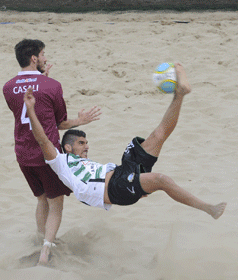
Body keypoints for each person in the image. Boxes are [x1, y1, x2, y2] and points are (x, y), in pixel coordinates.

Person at [24, 63, 226, 220]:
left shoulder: (84, 163)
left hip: (120, 171)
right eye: (81, 143)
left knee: (156, 136)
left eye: (86, 142)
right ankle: (209, 208)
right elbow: (42, 139)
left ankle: (179, 94)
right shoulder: (60, 162)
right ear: (67, 147)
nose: (87, 146)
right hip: (113, 188)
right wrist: (31, 109)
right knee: (161, 180)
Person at [3, 39, 101, 265]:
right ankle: (46, 251)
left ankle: (41, 239)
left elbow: (30, 110)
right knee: (56, 203)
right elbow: (60, 123)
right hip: (47, 155)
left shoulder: (8, 87)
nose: (46, 58)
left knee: (41, 200)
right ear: (34, 58)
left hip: (23, 153)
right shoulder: (53, 86)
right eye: (43, 54)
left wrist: (41, 80)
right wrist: (82, 120)